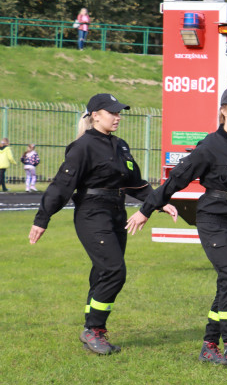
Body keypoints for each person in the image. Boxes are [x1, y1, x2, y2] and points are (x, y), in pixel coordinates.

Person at [127, 87, 227, 366]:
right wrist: (146, 209)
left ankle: (209, 346)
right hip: (213, 218)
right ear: (223, 111)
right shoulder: (208, 146)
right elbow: (176, 181)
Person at [29, 93, 178, 354]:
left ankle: (93, 327)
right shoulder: (83, 147)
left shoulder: (121, 145)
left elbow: (135, 183)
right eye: (112, 112)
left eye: (119, 112)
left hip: (116, 213)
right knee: (114, 271)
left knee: (102, 271)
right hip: (92, 213)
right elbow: (62, 186)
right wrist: (42, 219)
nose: (118, 117)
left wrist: (159, 201)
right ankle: (93, 330)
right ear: (95, 115)